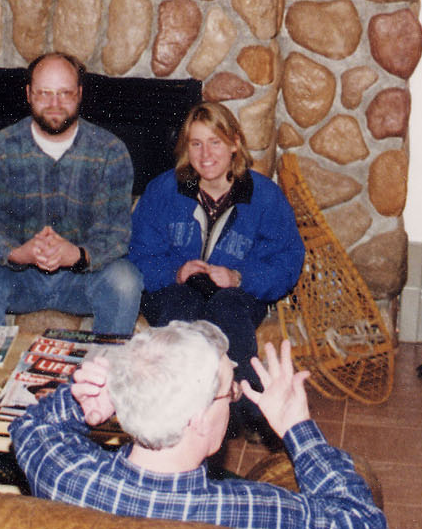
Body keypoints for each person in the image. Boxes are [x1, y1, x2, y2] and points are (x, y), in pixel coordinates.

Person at [9, 320, 388, 529]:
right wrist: (297, 427)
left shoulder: (68, 477)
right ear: (199, 421)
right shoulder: (254, 514)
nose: (235, 397)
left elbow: (30, 427)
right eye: (229, 392)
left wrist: (82, 403)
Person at [128, 101, 303, 433]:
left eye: (215, 142)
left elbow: (287, 262)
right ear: (186, 149)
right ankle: (178, 411)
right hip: (172, 289)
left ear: (235, 143)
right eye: (196, 143)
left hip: (236, 294)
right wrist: (174, 272)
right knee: (181, 310)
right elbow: (138, 254)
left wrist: (240, 277)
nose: (205, 154)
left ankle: (240, 400)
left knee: (227, 310)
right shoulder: (165, 190)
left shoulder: (263, 196)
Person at [0, 53, 141, 335]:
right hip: (18, 278)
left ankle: (106, 371)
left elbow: (116, 233)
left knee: (125, 280)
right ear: (29, 94)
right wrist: (18, 253)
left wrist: (78, 255)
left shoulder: (110, 151)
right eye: (44, 93)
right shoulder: (0, 148)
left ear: (79, 94)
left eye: (65, 94)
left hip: (81, 282)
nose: (55, 105)